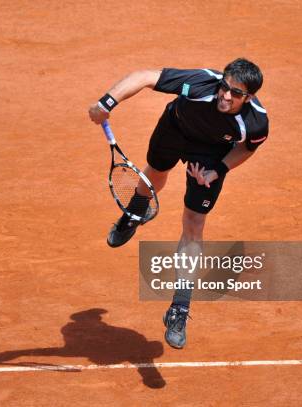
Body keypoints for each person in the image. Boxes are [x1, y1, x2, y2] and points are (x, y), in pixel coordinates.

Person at [88, 58, 269, 349]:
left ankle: (179, 308)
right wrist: (106, 103)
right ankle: (134, 212)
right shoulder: (200, 83)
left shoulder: (256, 122)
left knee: (194, 224)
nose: (225, 95)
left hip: (210, 154)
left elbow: (247, 148)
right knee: (155, 177)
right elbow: (146, 75)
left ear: (249, 98)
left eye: (236, 93)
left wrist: (218, 170)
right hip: (175, 128)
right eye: (224, 87)